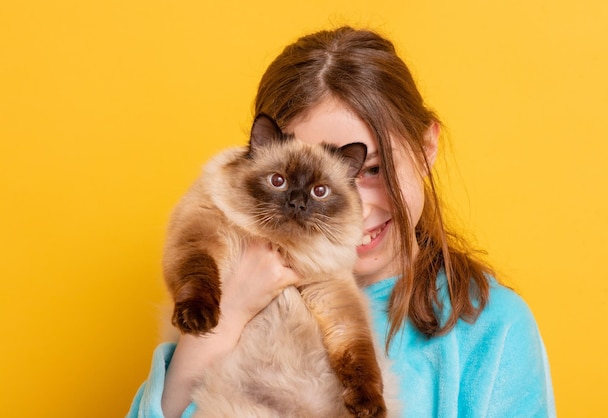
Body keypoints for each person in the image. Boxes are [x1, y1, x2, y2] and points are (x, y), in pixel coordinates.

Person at [128, 26, 556, 417]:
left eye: (372, 169)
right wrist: (229, 315)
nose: (361, 208)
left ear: (426, 149)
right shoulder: (236, 280)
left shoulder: (491, 328)